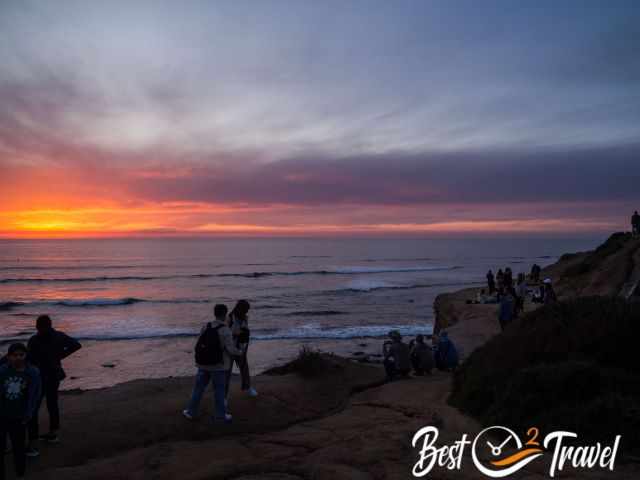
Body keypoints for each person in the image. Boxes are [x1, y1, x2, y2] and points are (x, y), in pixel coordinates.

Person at [27, 315, 81, 447]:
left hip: (39, 376)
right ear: (50, 324)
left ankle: (33, 438)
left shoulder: (34, 339)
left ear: (37, 326)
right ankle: (53, 433)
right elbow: (76, 345)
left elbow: (29, 360)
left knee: (34, 406)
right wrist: (60, 356)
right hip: (54, 374)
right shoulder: (59, 336)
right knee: (52, 404)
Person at [183, 304, 242, 423]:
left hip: (203, 364)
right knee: (219, 391)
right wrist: (240, 352)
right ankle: (220, 416)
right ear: (225, 314)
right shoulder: (225, 330)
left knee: (198, 389)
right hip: (218, 366)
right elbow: (230, 349)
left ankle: (190, 412)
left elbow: (198, 343)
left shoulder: (206, 326)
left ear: (214, 313)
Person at [1, 343, 41, 480]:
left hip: (19, 416)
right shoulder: (2, 371)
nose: (18, 358)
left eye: (21, 355)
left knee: (19, 447)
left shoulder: (32, 373)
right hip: (2, 414)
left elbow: (35, 395)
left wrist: (29, 413)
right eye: (14, 355)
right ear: (8, 356)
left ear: (26, 355)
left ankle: (20, 473)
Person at [226, 300, 258, 398]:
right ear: (240, 308)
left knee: (244, 368)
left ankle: (247, 387)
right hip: (231, 348)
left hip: (242, 346)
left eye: (247, 310)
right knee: (227, 371)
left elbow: (245, 331)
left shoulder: (245, 318)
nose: (246, 312)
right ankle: (224, 393)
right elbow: (225, 334)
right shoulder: (229, 318)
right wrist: (236, 333)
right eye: (245, 310)